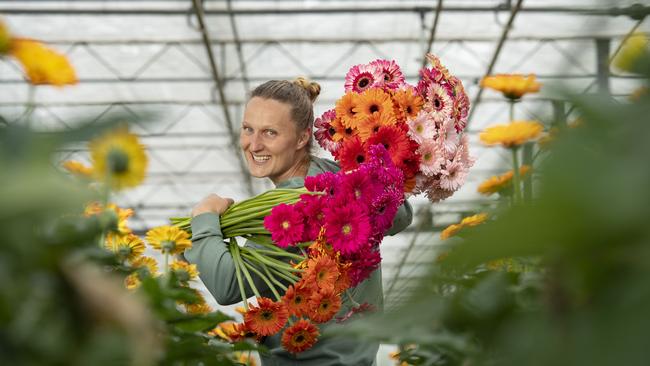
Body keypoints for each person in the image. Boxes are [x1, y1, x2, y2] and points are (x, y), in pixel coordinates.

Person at [185, 77, 413, 366]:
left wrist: (204, 219)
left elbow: (227, 284)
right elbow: (401, 214)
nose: (253, 144)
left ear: (303, 137)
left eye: (270, 133)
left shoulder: (292, 210)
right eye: (248, 129)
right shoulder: (340, 177)